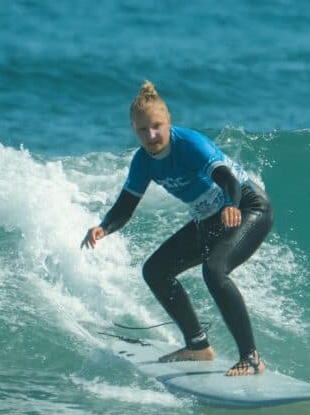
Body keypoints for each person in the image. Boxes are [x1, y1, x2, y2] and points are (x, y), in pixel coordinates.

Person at [81, 80, 273, 376]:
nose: (151, 134)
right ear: (134, 130)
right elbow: (126, 205)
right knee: (155, 270)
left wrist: (232, 206)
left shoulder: (190, 144)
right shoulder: (143, 162)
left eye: (157, 126)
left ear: (168, 122)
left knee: (215, 270)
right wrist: (104, 227)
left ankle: (251, 357)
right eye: (143, 130)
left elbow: (228, 180)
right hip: (208, 217)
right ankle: (198, 346)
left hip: (246, 207)